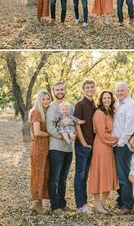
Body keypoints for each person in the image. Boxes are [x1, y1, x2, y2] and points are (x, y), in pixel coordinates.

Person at [88, 91, 119, 213]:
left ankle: (103, 201)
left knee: (108, 172)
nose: (107, 100)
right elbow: (101, 133)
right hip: (101, 144)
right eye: (104, 98)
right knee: (99, 172)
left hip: (109, 146)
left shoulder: (110, 113)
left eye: (108, 98)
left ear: (111, 100)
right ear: (101, 100)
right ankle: (96, 203)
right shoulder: (99, 113)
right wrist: (117, 139)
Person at [46, 82, 74, 215]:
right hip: (56, 148)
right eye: (57, 90)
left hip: (69, 149)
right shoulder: (52, 107)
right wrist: (63, 137)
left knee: (64, 178)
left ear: (65, 90)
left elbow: (73, 121)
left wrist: (72, 123)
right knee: (55, 178)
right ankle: (55, 206)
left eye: (62, 89)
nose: (60, 91)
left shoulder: (70, 107)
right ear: (53, 91)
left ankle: (62, 204)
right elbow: (50, 128)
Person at [112, 82, 134, 214]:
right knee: (118, 174)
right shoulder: (118, 105)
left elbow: (129, 127)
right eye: (117, 91)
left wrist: (121, 143)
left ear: (128, 90)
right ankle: (121, 199)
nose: (120, 92)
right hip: (115, 144)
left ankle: (128, 204)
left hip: (123, 145)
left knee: (123, 175)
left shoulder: (131, 105)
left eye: (122, 90)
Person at [74, 79, 96, 214]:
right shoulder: (80, 104)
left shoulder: (94, 104)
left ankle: (85, 203)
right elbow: (77, 125)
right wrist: (83, 143)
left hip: (92, 145)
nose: (90, 89)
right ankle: (80, 204)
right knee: (80, 174)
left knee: (85, 175)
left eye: (92, 87)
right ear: (83, 89)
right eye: (87, 87)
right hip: (83, 145)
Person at [29, 90, 51, 214]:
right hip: (38, 148)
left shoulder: (44, 112)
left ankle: (39, 204)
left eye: (48, 99)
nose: (46, 101)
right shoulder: (36, 112)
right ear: (39, 100)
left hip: (44, 148)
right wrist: (50, 134)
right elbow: (37, 132)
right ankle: (37, 204)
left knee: (44, 174)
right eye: (44, 99)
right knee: (38, 174)